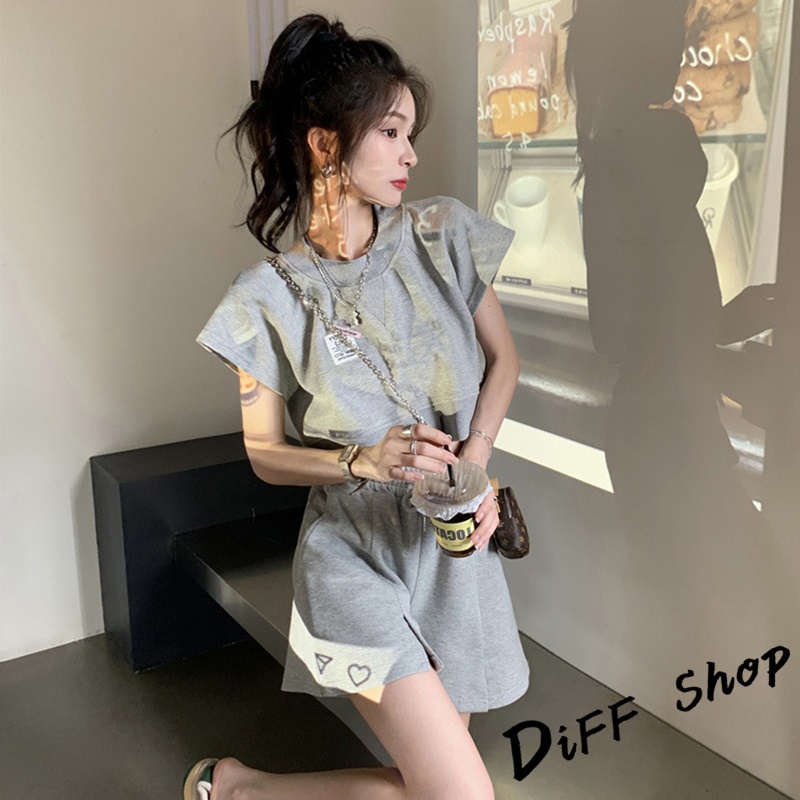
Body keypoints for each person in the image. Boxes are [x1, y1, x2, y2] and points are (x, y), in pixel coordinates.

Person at [187, 13, 528, 800]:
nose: (411, 153)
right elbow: (264, 453)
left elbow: (506, 361)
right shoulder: (265, 298)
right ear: (325, 143)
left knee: (429, 788)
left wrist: (474, 466)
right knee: (460, 794)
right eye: (391, 132)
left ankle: (240, 789)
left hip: (451, 560)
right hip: (350, 565)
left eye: (411, 134)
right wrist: (361, 460)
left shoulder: (442, 236)